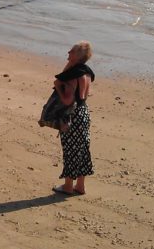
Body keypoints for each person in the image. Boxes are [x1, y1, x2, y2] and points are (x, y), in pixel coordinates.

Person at [51, 41, 95, 196]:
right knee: (82, 150)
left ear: (77, 56)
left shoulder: (73, 75)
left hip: (72, 115)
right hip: (83, 112)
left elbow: (68, 100)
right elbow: (83, 96)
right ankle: (80, 186)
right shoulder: (87, 72)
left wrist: (58, 86)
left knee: (70, 150)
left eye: (72, 51)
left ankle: (68, 186)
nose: (68, 52)